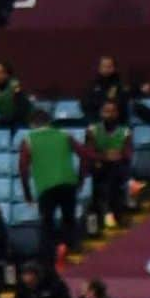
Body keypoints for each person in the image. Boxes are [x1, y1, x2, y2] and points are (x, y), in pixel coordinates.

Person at [19, 109, 88, 264]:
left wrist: (27, 194)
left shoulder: (28, 139)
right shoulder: (65, 135)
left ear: (31, 124)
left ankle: (48, 257)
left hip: (46, 186)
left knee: (47, 223)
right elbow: (84, 155)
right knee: (69, 219)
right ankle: (72, 249)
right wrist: (81, 179)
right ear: (50, 122)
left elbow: (23, 169)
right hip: (68, 182)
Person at [85, 101, 134, 230]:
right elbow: (89, 152)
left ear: (117, 113)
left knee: (116, 173)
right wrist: (104, 156)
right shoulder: (92, 130)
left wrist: (120, 156)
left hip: (118, 166)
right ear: (101, 113)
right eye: (106, 111)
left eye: (112, 111)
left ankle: (112, 213)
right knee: (102, 172)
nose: (109, 114)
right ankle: (108, 214)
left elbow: (128, 153)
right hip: (99, 165)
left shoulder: (125, 131)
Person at [81, 54, 133, 124]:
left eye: (109, 66)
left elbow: (123, 102)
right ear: (99, 68)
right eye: (104, 66)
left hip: (118, 122)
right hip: (97, 120)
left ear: (114, 68)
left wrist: (111, 109)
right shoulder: (91, 85)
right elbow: (86, 103)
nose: (106, 69)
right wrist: (102, 110)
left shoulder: (121, 84)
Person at [0, 61, 32, 130]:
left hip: (21, 121)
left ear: (7, 75)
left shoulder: (16, 87)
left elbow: (20, 113)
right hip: (3, 121)